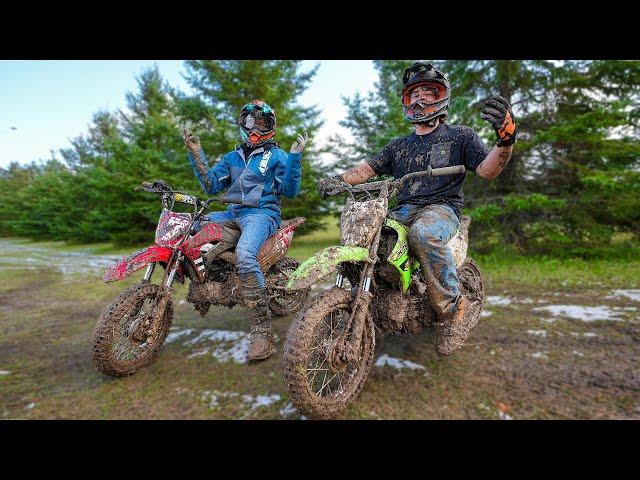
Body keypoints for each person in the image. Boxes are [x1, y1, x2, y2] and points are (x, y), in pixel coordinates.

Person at [318, 62, 518, 356]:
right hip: (404, 208)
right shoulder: (398, 146)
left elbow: (488, 169)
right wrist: (337, 180)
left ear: (441, 97)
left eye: (428, 91)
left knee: (423, 235)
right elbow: (367, 170)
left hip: (441, 208)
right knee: (370, 238)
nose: (420, 98)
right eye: (414, 94)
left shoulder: (460, 136)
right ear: (406, 101)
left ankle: (453, 312)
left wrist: (506, 139)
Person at [183, 99, 308, 362]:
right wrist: (196, 153)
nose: (255, 128)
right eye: (250, 121)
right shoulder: (232, 157)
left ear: (271, 127)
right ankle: (204, 285)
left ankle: (262, 331)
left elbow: (290, 191)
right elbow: (211, 185)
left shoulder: (278, 156)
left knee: (245, 256)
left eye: (262, 123)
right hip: (232, 213)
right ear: (242, 123)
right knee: (190, 228)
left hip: (262, 215)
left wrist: (295, 157)